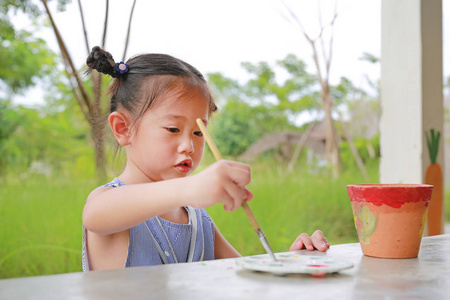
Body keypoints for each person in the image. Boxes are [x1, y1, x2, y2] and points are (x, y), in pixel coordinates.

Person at [82, 46, 330, 271]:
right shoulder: (107, 205)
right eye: (173, 129)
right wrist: (188, 188)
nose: (189, 146)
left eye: (199, 132)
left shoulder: (199, 220)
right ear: (123, 129)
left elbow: (245, 277)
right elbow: (95, 214)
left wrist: (292, 263)